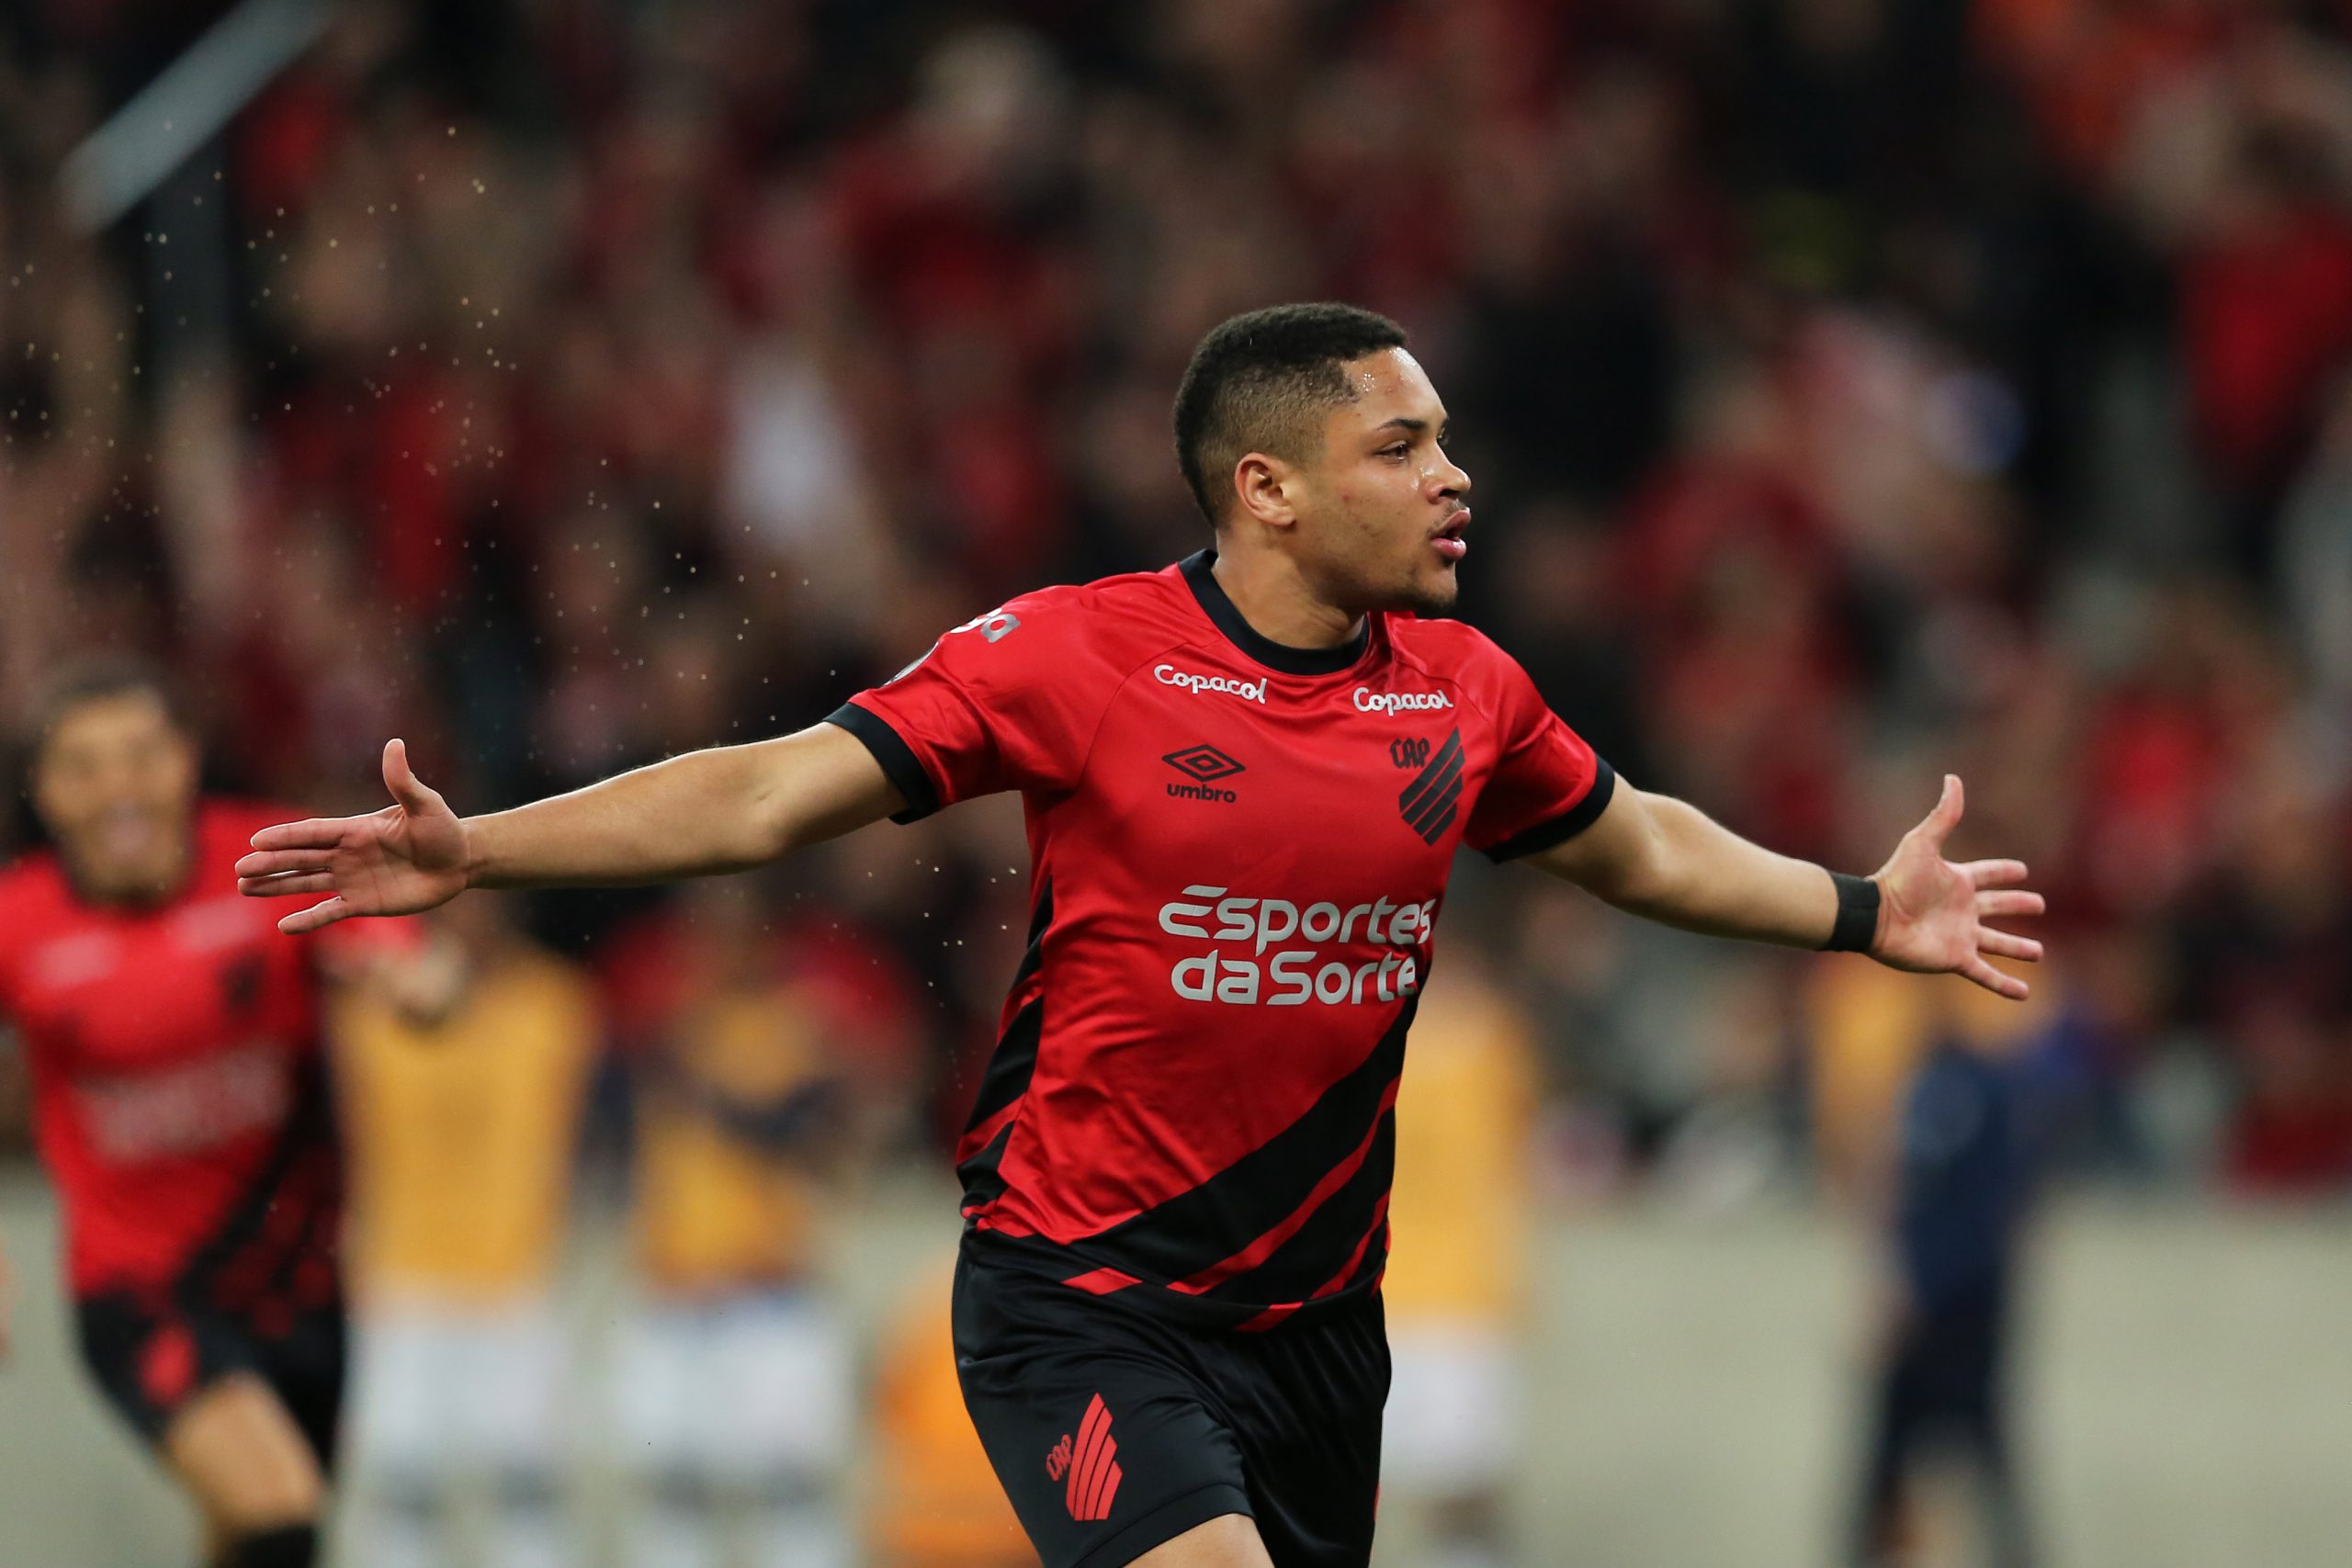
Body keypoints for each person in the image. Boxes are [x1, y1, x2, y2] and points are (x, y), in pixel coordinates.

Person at [237, 302, 2046, 1568]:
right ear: (1262, 485)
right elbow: (771, 792)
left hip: (1321, 1319)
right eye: (1400, 444)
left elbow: (1627, 839)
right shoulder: (1069, 656)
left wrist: (1860, 907)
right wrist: (481, 852)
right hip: (1084, 1296)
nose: (1451, 479)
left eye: (1445, 443)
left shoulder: (1462, 692)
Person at [0, 663, 421, 1568]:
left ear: (186, 761)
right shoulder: (17, 924)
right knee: (282, 1514)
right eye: (86, 766)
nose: (119, 787)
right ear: (45, 793)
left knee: (257, 1536)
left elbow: (404, 960)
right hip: (138, 1292)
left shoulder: (272, 862)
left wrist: (422, 985)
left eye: (141, 755)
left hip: (298, 1279)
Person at [334, 892, 599, 1568]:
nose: (472, 925)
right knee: (402, 1487)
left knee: (526, 1488)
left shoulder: (556, 1002)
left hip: (515, 1278)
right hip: (399, 1278)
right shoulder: (367, 1004)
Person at [603, 880, 855, 1568]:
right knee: (671, 1495)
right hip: (675, 1289)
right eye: (705, 932)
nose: (716, 948)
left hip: (769, 1292)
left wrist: (707, 1088)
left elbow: (804, 1130)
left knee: (790, 1497)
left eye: (735, 931)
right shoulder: (671, 1021)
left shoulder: (801, 1021)